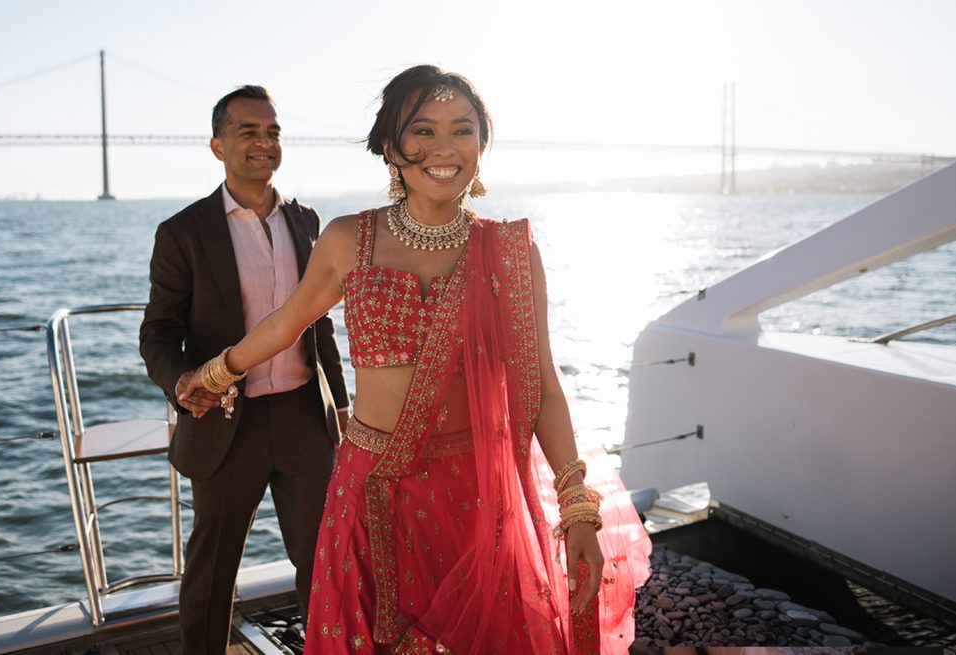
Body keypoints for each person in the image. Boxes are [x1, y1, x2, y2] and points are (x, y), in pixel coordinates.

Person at [177, 67, 650, 654]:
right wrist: (216, 372)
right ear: (390, 147)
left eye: (463, 130)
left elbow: (544, 389)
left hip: (474, 498)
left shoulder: (510, 252)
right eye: (422, 130)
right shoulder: (351, 239)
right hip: (370, 486)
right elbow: (284, 323)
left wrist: (578, 509)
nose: (444, 148)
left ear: (482, 144)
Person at [139, 84, 351, 654]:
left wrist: (345, 406)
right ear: (217, 146)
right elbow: (157, 334)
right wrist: (181, 383)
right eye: (248, 131)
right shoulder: (183, 232)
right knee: (212, 571)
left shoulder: (308, 222)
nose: (264, 142)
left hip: (306, 418)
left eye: (273, 131)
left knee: (324, 561)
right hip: (227, 423)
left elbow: (320, 323)